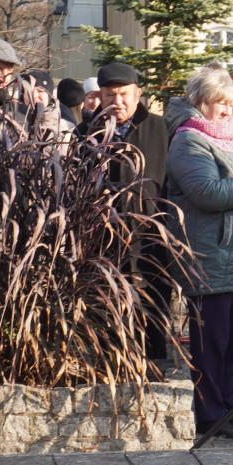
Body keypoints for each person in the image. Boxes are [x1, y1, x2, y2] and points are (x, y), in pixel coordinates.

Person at [166, 64, 233, 439]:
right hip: (209, 256)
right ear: (200, 102)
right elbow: (206, 192)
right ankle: (208, 412)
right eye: (219, 103)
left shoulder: (231, 139)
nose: (226, 111)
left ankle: (228, 404)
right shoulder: (188, 140)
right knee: (212, 343)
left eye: (230, 104)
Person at [76, 62, 171, 363]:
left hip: (151, 241)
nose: (117, 101)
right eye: (109, 95)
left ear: (138, 94)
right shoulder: (84, 133)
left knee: (152, 310)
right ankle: (110, 374)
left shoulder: (161, 128)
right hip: (102, 242)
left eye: (124, 94)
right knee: (106, 311)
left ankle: (153, 373)